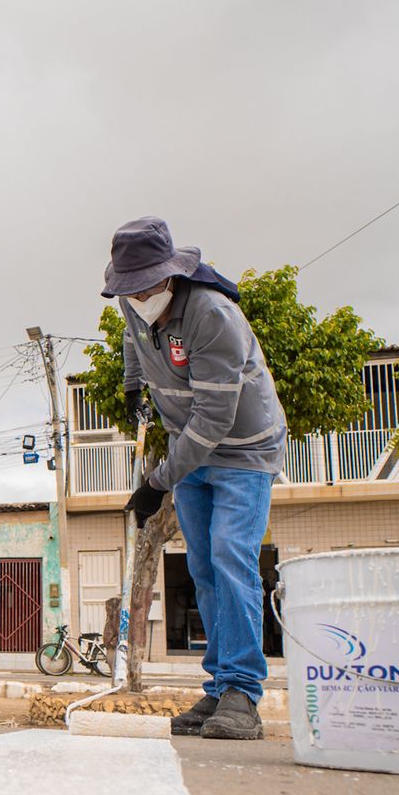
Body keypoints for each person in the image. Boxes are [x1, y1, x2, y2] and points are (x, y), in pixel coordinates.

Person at [102, 216, 287, 740]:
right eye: (127, 288)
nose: (136, 297)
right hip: (192, 446)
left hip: (244, 449)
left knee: (232, 559)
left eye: (144, 286)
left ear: (170, 276)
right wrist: (134, 384)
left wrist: (157, 481)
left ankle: (244, 694)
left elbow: (214, 420)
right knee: (203, 569)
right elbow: (132, 337)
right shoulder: (133, 300)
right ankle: (219, 687)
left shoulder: (213, 315)